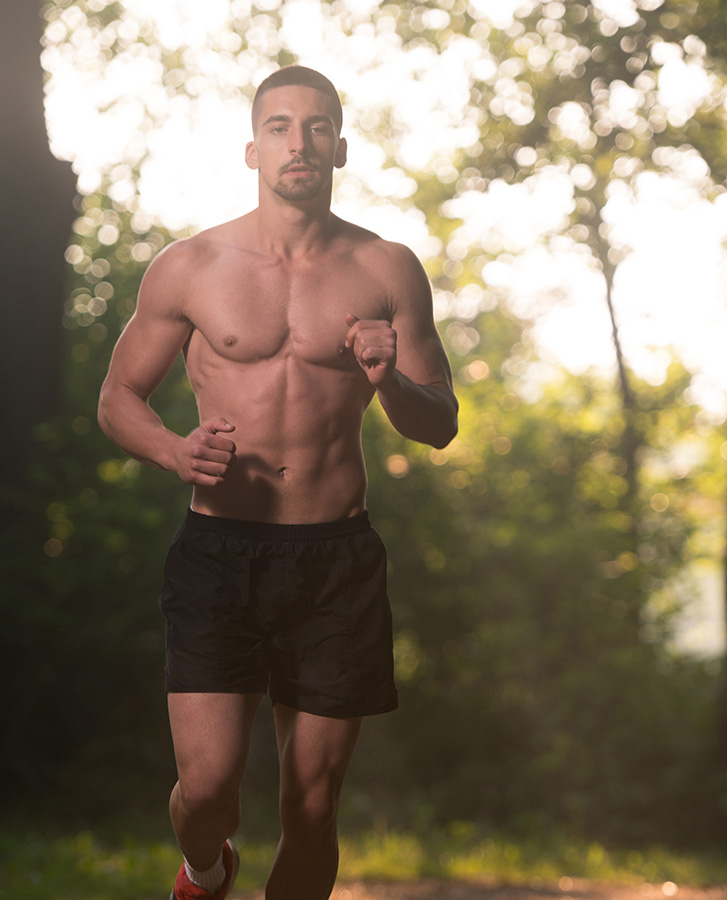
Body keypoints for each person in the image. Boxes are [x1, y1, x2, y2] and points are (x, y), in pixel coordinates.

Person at [98, 65, 458, 900]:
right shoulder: (190, 266)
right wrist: (173, 452)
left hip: (337, 560)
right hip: (220, 552)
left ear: (341, 145)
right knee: (211, 791)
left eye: (318, 126)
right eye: (280, 126)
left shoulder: (388, 268)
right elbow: (119, 398)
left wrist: (388, 379)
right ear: (252, 148)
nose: (300, 143)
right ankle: (204, 870)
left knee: (313, 804)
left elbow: (438, 423)